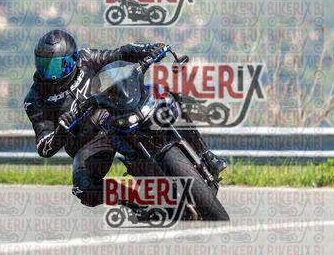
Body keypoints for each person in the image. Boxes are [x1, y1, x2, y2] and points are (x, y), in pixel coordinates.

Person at [24, 29, 226, 207]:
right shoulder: (35, 99)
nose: (50, 74)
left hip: (113, 115)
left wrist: (148, 49)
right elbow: (44, 147)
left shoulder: (86, 58)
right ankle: (138, 200)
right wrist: (61, 131)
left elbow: (119, 53)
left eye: (57, 66)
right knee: (83, 189)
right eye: (44, 66)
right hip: (87, 143)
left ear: (73, 59)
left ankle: (206, 155)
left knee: (165, 96)